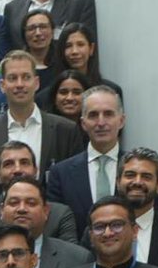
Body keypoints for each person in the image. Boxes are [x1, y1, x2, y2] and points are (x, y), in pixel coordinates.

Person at [0, 51, 87, 206]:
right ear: (2, 86)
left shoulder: (65, 130)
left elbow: (76, 187)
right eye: (13, 78)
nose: (19, 84)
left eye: (26, 77)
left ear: (37, 83)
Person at [0, 140, 80, 246]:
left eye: (24, 163)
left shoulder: (60, 215)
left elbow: (69, 259)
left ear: (35, 171)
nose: (17, 170)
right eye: (9, 164)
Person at [46, 86, 126, 223]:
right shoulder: (60, 173)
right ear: (83, 123)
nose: (101, 123)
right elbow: (56, 226)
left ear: (121, 121)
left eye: (108, 114)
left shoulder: (138, 169)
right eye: (93, 115)